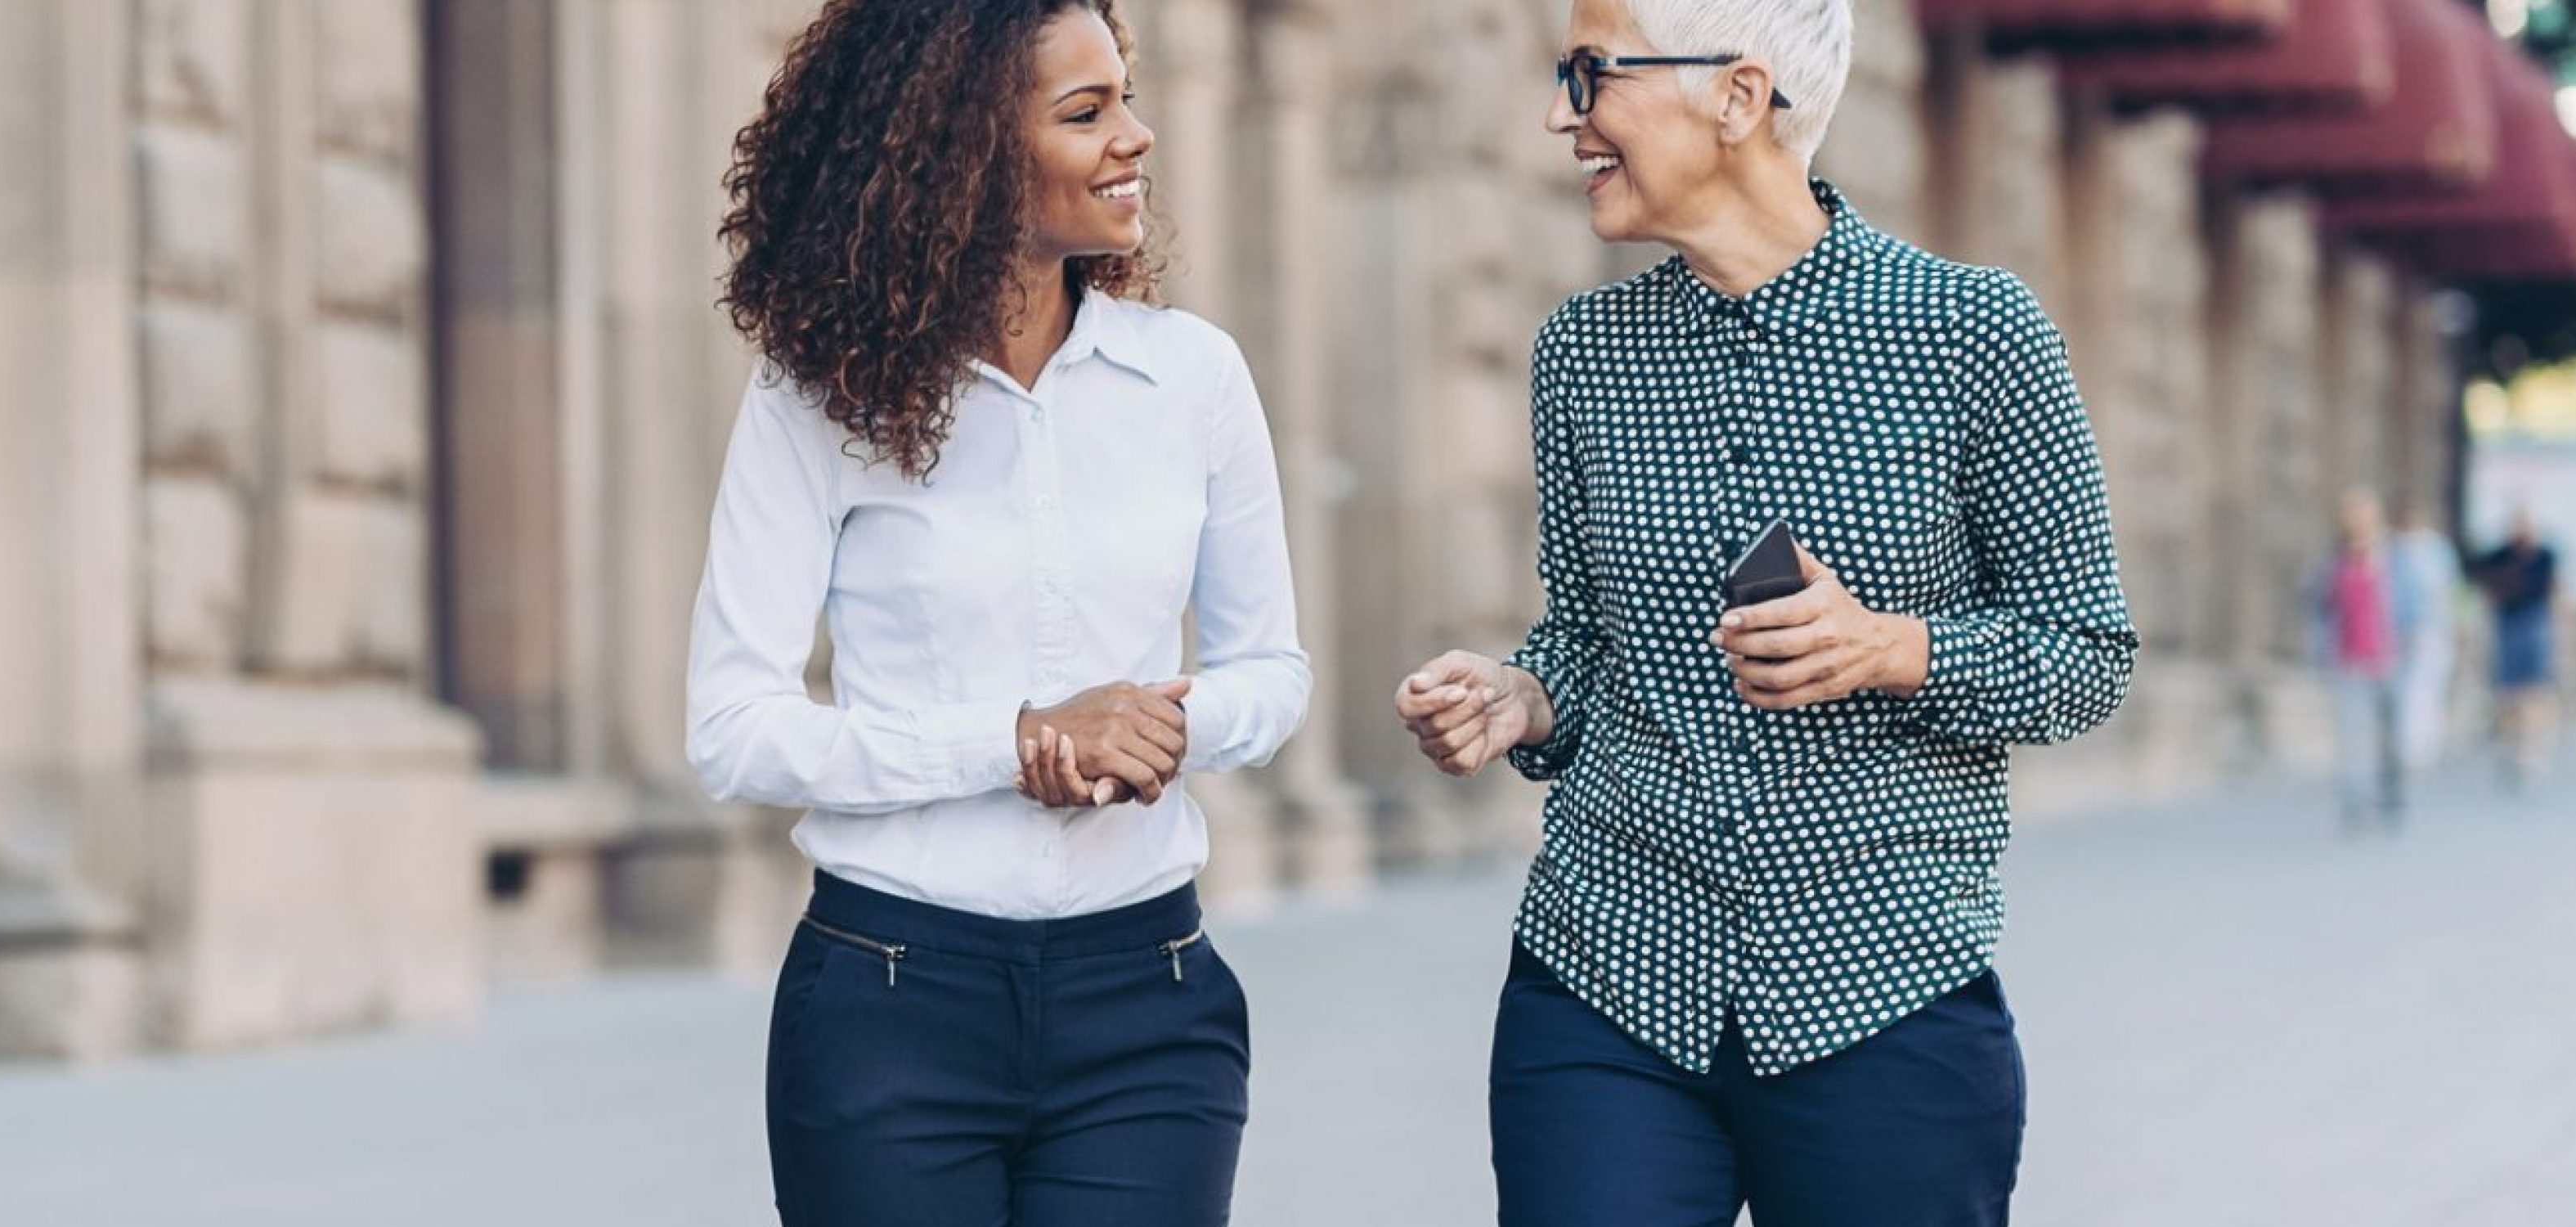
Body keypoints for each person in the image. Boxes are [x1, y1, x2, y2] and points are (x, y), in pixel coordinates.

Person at [1390, 0, 2134, 1221]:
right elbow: (1582, 638)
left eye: (1591, 76)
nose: (1558, 117)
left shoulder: (1974, 334)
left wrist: (1893, 648)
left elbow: (2087, 655)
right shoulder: (1582, 353)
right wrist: (1520, 697)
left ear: (1738, 98)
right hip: (1608, 970)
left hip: (1881, 981)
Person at [684, 2, 1311, 1222]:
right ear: (959, 148)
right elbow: (733, 727)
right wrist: (1017, 741)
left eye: (1125, 96)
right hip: (889, 1006)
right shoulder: (814, 399)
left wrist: (1167, 727)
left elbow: (1271, 671)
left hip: (1150, 1005)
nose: (1135, 135)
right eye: (1085, 113)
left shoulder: (1194, 379)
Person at [2310, 491, 2426, 833]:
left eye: (2364, 515)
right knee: (2352, 733)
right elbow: (2320, 606)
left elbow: (2414, 603)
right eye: (2352, 516)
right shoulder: (2334, 561)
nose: (2358, 522)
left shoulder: (2395, 558)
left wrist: (2411, 643)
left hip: (2388, 658)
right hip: (2348, 659)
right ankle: (2355, 801)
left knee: (2389, 734)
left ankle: (2391, 795)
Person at [2470, 507, 2562, 789]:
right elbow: (2484, 583)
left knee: (2535, 693)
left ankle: (2533, 751)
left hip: (2534, 625)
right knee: (2508, 695)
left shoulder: (2545, 556)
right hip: (2507, 626)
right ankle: (2511, 748)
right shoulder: (2499, 555)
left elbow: (2553, 591)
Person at [2390, 503, 2466, 769]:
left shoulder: (2436, 551)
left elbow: (2451, 589)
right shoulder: (2391, 550)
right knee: (2403, 688)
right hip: (2397, 629)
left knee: (2426, 688)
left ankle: (2422, 745)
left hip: (2432, 628)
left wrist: (2458, 625)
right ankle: (2403, 743)